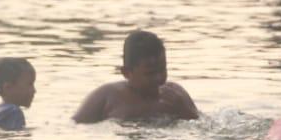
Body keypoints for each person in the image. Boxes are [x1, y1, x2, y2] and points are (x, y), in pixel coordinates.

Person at [72, 30, 200, 123]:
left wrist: (184, 110)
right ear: (127, 73)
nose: (159, 78)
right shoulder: (106, 96)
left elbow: (201, 124)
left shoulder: (176, 95)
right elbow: (76, 127)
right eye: (150, 74)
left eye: (162, 70)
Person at [0, 57, 36, 131]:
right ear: (8, 88)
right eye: (29, 84)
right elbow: (14, 139)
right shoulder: (14, 112)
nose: (34, 90)